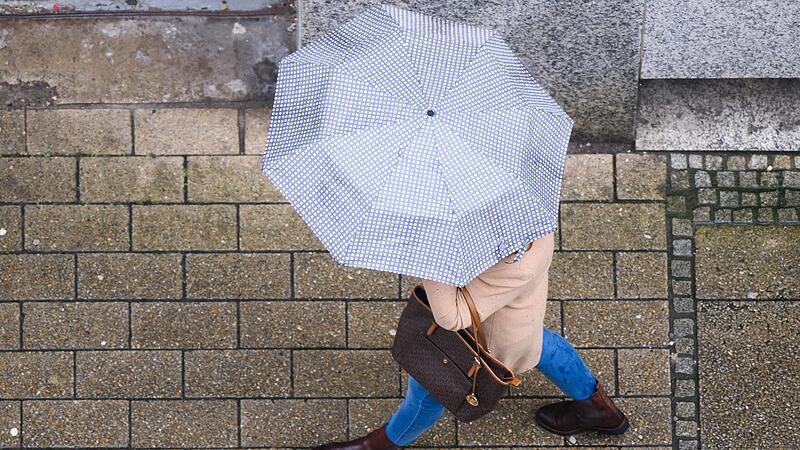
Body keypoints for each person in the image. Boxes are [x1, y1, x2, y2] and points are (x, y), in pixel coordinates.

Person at [312, 231, 628, 450]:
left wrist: (430, 257)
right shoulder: (531, 222)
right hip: (518, 321)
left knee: (427, 393)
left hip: (487, 341)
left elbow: (452, 317)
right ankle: (598, 409)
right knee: (546, 348)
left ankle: (379, 444)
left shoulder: (511, 264)